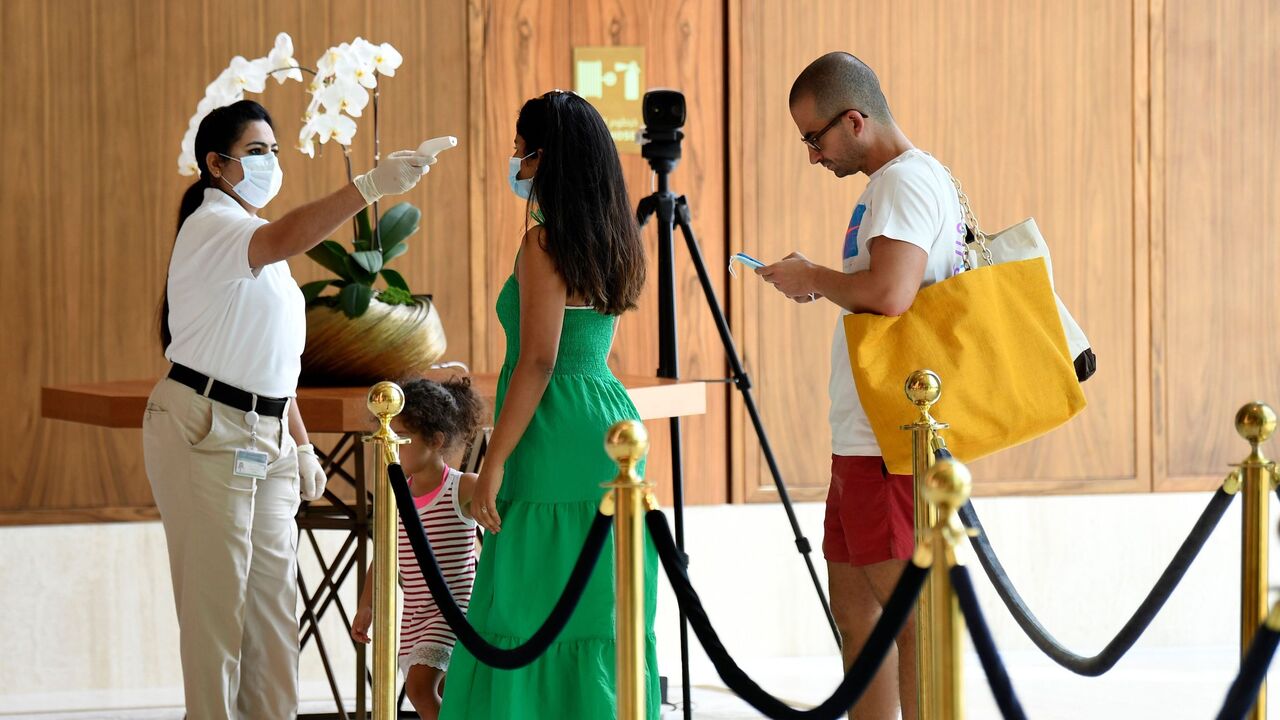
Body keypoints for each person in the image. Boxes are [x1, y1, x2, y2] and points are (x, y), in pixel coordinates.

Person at [143, 98, 433, 719]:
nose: (270, 162)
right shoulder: (215, 224)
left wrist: (301, 444)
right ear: (215, 164)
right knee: (217, 613)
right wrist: (370, 186)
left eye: (275, 151)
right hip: (206, 429)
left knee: (274, 614)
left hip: (267, 435)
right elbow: (285, 237)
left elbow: (275, 367)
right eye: (255, 151)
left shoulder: (257, 248)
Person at [756, 52, 967, 720]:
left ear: (854, 120)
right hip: (865, 435)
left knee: (909, 620)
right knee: (857, 613)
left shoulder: (905, 183)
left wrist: (815, 277)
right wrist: (820, 281)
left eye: (814, 138)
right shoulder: (892, 185)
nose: (812, 156)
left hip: (888, 439)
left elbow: (891, 292)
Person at [438, 90, 657, 720]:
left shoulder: (544, 242)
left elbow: (537, 360)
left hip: (550, 426)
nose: (517, 164)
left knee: (525, 602)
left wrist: (493, 461)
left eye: (522, 152)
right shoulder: (613, 236)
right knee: (596, 606)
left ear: (547, 159)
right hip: (607, 419)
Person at [351, 376, 485, 720]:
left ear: (436, 440)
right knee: (445, 694)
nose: (394, 447)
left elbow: (500, 514)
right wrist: (367, 605)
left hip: (454, 610)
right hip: (413, 615)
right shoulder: (396, 497)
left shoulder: (461, 488)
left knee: (419, 688)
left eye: (403, 438)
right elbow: (384, 557)